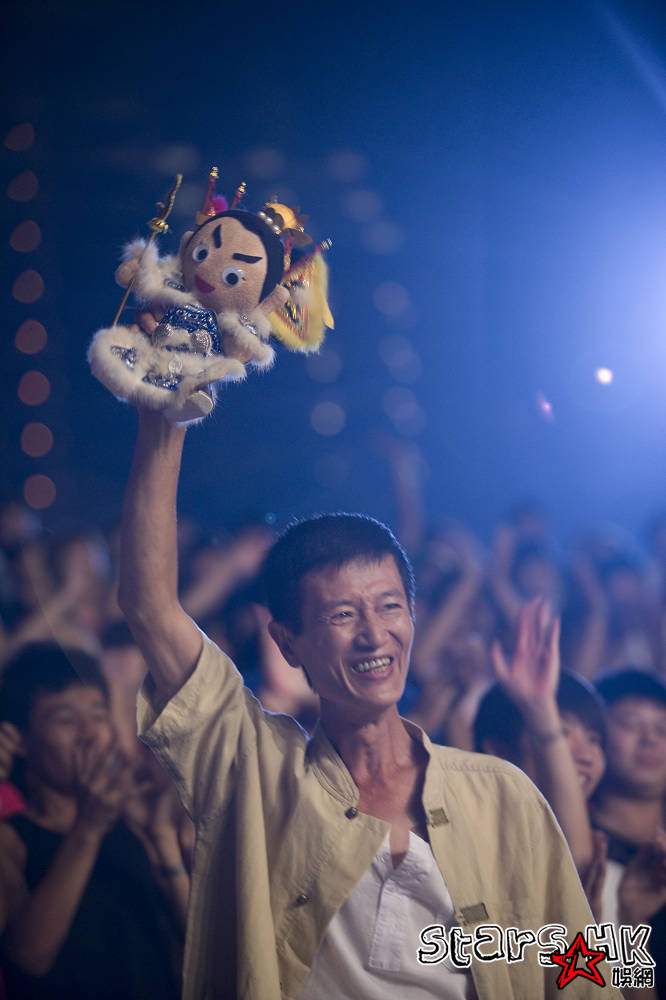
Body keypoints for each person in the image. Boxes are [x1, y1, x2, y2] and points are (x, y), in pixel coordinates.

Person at [119, 408, 621, 1000]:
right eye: (342, 615)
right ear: (287, 642)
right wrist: (164, 424)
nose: (374, 635)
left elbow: (585, 974)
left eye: (389, 607)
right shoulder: (256, 769)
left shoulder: (501, 792)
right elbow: (150, 607)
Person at [0, 642, 187, 999]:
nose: (90, 733)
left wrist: (163, 842)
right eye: (66, 719)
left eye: (98, 714)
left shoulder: (130, 816)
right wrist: (88, 828)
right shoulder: (11, 839)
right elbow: (27, 957)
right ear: (20, 740)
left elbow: (194, 942)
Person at [592, 670, 666, 998]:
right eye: (631, 724)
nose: (650, 739)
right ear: (596, 738)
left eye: (662, 728)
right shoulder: (582, 850)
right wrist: (632, 923)